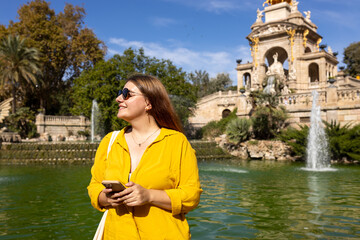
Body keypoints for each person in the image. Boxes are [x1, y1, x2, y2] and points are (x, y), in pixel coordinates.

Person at [87, 74, 202, 239]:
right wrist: (106, 198)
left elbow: (191, 196)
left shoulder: (177, 142)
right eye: (121, 92)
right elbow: (94, 186)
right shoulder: (110, 142)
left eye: (127, 94)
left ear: (148, 103)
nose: (118, 98)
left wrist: (149, 196)